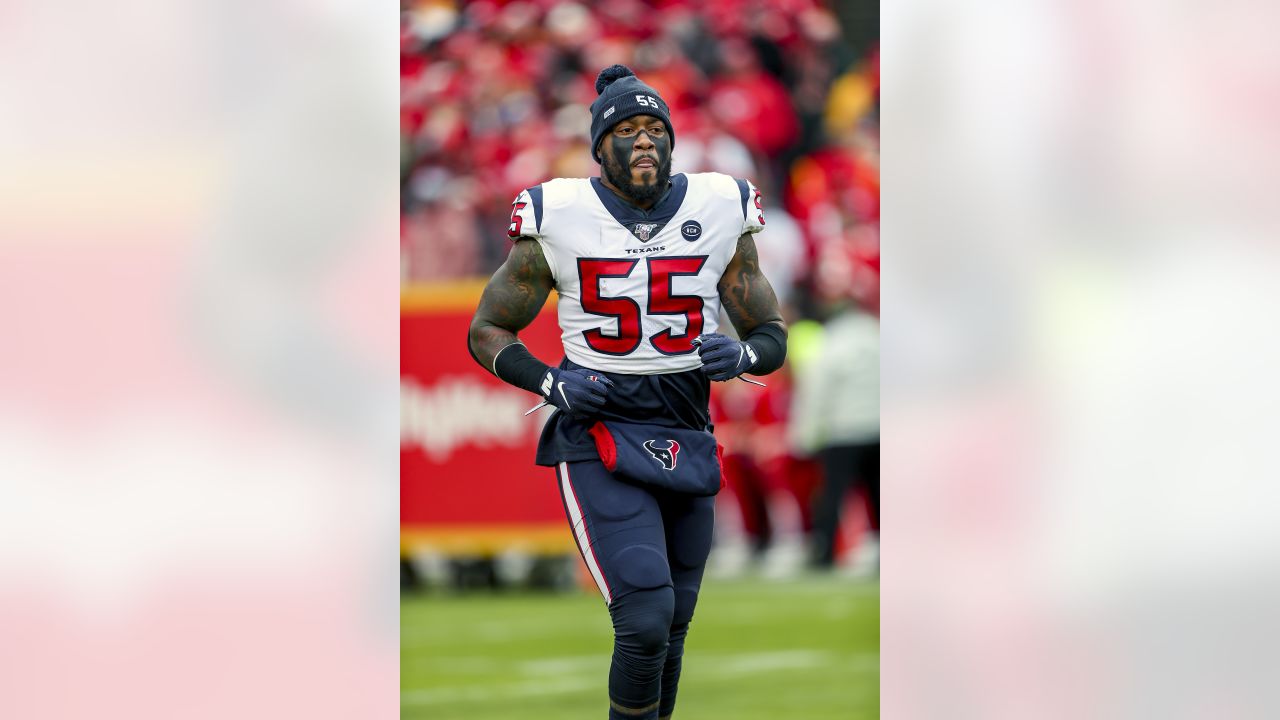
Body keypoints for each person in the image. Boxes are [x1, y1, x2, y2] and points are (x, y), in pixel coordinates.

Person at [468, 64, 788, 720]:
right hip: (600, 432)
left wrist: (744, 354)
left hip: (686, 430)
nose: (643, 142)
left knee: (669, 631)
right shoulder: (559, 213)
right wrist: (550, 380)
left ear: (672, 141)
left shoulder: (719, 204)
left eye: (654, 129)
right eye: (626, 130)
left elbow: (771, 333)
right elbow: (488, 330)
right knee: (643, 617)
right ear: (599, 147)